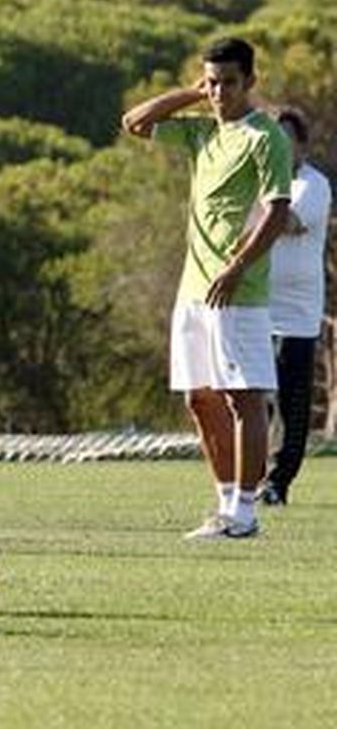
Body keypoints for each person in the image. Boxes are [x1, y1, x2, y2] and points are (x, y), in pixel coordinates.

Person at [121, 37, 292, 540]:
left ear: (251, 83)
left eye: (229, 83)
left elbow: (278, 210)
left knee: (244, 398)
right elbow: (135, 122)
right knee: (201, 399)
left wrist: (238, 266)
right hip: (193, 289)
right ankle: (224, 507)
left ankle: (245, 512)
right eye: (212, 82)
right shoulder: (202, 134)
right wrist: (193, 94)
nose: (220, 92)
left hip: (236, 291)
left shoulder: (265, 137)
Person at [261, 108, 330, 506]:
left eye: (287, 140)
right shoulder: (261, 183)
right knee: (252, 397)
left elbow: (286, 222)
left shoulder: (313, 184)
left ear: (301, 144)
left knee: (291, 402)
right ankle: (247, 476)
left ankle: (278, 482)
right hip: (254, 307)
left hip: (296, 315)